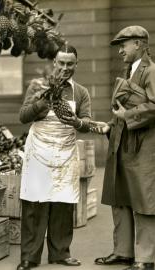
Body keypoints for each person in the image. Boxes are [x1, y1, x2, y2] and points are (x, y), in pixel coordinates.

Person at [17, 44, 92, 270]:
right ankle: (30, 256)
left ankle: (60, 252)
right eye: (61, 63)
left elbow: (87, 122)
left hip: (65, 150)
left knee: (63, 202)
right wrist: (44, 101)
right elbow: (23, 116)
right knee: (34, 203)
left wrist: (77, 122)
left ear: (76, 65)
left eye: (70, 64)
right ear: (54, 63)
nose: (65, 68)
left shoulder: (80, 92)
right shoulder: (38, 85)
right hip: (39, 148)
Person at [94, 26, 155, 270]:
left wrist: (127, 114)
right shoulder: (129, 71)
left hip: (143, 147)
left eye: (124, 45)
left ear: (139, 44)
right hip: (122, 144)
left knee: (143, 200)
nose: (120, 50)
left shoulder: (150, 71)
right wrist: (110, 126)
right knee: (120, 198)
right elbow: (122, 110)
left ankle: (146, 258)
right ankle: (123, 251)